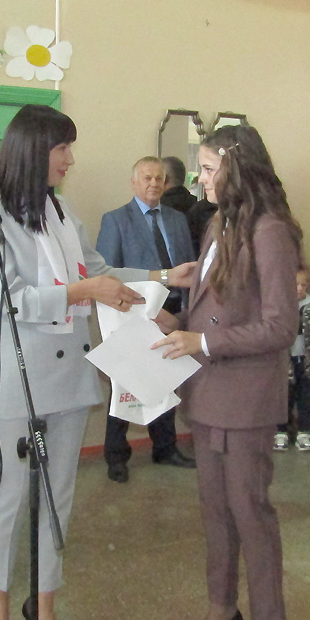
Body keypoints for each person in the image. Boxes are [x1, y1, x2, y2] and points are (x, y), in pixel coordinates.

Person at [0, 105, 195, 620]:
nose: (70, 159)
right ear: (33, 150)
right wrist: (82, 291)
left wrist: (164, 277)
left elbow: (100, 271)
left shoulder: (62, 211)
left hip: (68, 376)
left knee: (56, 499)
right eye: (62, 148)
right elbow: (9, 299)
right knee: (10, 497)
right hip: (16, 379)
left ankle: (44, 605)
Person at [153, 124, 301, 620]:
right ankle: (222, 608)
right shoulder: (220, 224)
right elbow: (215, 308)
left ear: (237, 168)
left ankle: (270, 618)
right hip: (209, 395)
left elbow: (280, 326)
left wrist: (204, 342)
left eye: (209, 168)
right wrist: (173, 321)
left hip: (245, 400)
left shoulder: (269, 230)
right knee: (215, 512)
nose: (200, 178)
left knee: (250, 514)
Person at [95, 156, 196, 483]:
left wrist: (182, 315)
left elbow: (186, 269)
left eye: (159, 178)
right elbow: (108, 274)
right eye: (147, 178)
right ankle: (116, 455)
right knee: (125, 384)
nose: (154, 183)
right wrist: (149, 309)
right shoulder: (115, 220)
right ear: (134, 182)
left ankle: (165, 448)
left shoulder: (177, 220)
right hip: (133, 313)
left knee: (163, 379)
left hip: (173, 314)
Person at [274, 265, 310, 452]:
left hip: (307, 360)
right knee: (285, 396)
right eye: (296, 285)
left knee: (306, 396)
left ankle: (304, 432)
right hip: (286, 361)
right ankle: (281, 431)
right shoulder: (281, 307)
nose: (300, 288)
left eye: (303, 285)